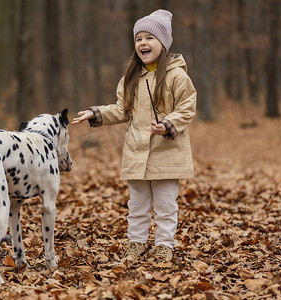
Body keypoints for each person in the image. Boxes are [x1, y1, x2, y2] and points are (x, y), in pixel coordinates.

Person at [72, 9, 196, 263]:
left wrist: (168, 124)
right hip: (137, 151)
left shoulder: (177, 76)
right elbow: (121, 109)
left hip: (167, 150)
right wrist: (96, 113)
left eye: (149, 37)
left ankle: (164, 245)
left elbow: (187, 107)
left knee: (165, 205)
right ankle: (136, 243)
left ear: (162, 43)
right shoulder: (130, 77)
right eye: (138, 38)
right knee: (137, 205)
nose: (143, 43)